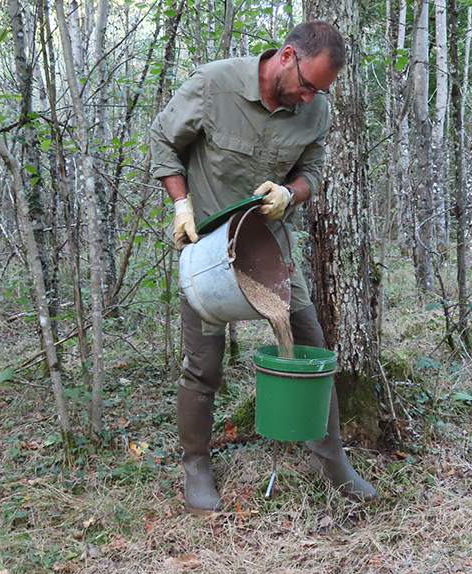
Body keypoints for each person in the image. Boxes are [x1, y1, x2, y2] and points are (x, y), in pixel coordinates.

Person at [150, 20, 376, 515]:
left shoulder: (315, 112)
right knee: (202, 367)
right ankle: (196, 466)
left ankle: (329, 457)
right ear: (288, 56)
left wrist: (289, 192)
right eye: (309, 85)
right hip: (208, 255)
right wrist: (180, 205)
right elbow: (164, 141)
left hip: (270, 252)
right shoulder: (215, 85)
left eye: (322, 90)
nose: (312, 97)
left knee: (313, 350)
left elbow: (311, 172)